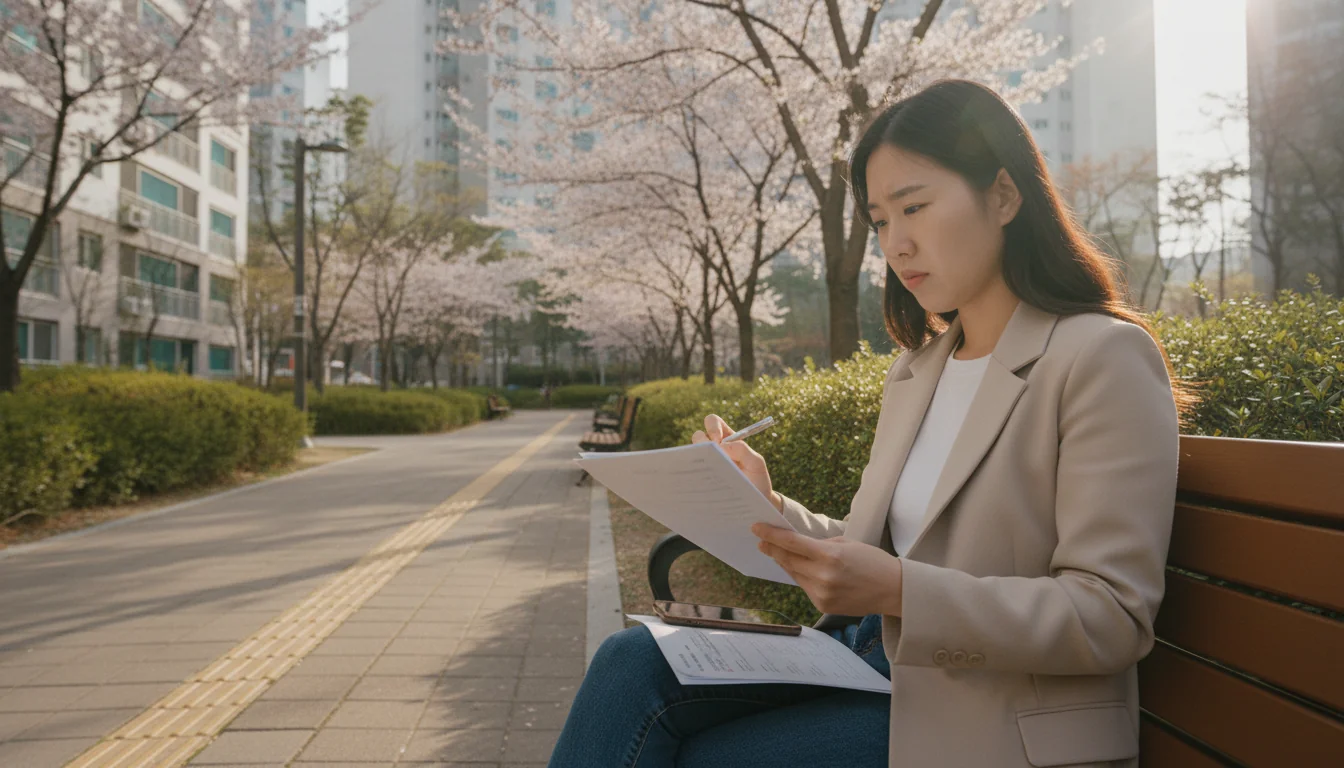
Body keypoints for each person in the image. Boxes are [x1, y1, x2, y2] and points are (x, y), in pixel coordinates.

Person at [546, 78, 1190, 768]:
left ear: (1003, 195)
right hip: (877, 664)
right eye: (881, 221)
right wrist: (766, 509)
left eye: (914, 207)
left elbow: (1109, 618)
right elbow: (873, 550)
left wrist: (899, 591)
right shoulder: (917, 371)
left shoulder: (1100, 357)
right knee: (630, 662)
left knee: (700, 754)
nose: (897, 244)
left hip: (996, 712)